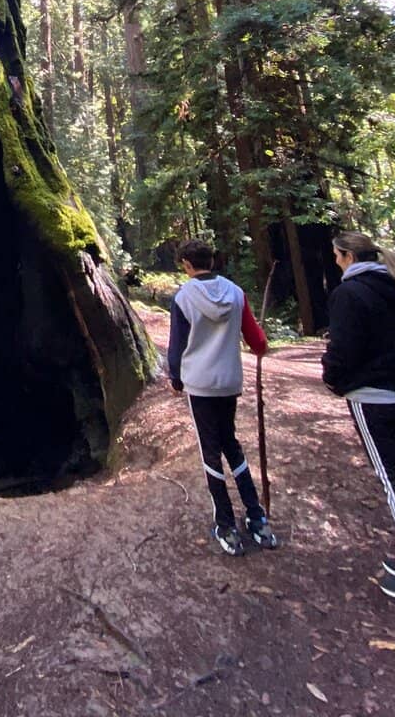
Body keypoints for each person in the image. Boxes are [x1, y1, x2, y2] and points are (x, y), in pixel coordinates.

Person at [322, 231, 395, 602]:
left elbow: (343, 348)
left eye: (336, 255)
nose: (334, 260)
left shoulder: (349, 294)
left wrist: (333, 379)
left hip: (373, 397)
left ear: (347, 256)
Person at [167, 237, 277, 556]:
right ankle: (257, 518)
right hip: (229, 382)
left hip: (200, 385)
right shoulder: (235, 292)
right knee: (231, 444)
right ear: (211, 260)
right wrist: (260, 348)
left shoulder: (184, 297)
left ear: (188, 265)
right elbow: (257, 341)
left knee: (210, 452)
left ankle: (226, 524)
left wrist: (175, 378)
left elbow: (177, 345)